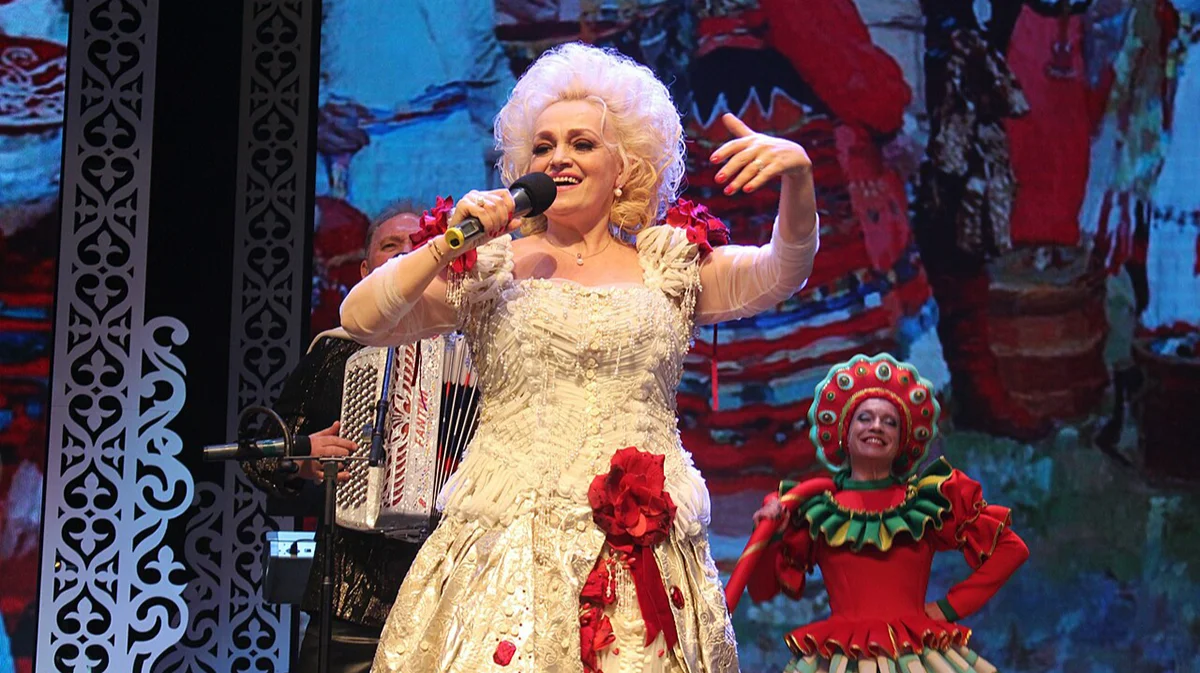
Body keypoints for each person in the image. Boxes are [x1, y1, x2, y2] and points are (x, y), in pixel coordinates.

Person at [341, 42, 819, 673]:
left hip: (640, 553)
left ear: (624, 167)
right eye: (543, 147)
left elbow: (782, 270)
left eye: (582, 144)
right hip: (509, 545)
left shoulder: (669, 267)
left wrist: (799, 179)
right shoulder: (491, 267)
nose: (559, 158)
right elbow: (361, 320)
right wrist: (445, 246)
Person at [744, 354, 1029, 673]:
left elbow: (1011, 549)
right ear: (844, 432)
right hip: (843, 660)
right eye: (865, 418)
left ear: (902, 440)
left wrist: (949, 607)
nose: (877, 426)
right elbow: (761, 590)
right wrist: (772, 534)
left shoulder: (927, 501)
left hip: (919, 657)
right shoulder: (815, 509)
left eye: (890, 421)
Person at [243, 204, 429, 673]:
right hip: (352, 596)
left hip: (442, 594)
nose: (404, 254)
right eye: (390, 245)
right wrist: (303, 460)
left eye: (418, 244)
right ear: (365, 271)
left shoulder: (470, 349)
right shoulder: (336, 349)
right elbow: (260, 454)